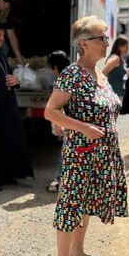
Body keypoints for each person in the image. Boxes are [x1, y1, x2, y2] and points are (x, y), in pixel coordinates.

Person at [44, 15, 128, 256]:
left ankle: (78, 253)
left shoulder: (100, 74)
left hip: (102, 154)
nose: (107, 42)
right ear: (84, 44)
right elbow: (51, 111)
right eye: (101, 38)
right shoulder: (72, 73)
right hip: (80, 153)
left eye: (106, 37)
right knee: (69, 207)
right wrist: (84, 128)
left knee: (87, 202)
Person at [0, 22, 33, 191]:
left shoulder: (0, 54)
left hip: (7, 104)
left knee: (8, 139)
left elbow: (8, 75)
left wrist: (16, 81)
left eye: (3, 35)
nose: (2, 38)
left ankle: (7, 174)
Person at [46, 50, 71, 193]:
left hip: (64, 121)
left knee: (64, 152)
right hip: (72, 121)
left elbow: (58, 107)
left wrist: (57, 125)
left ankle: (60, 181)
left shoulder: (61, 80)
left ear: (55, 67)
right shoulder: (72, 76)